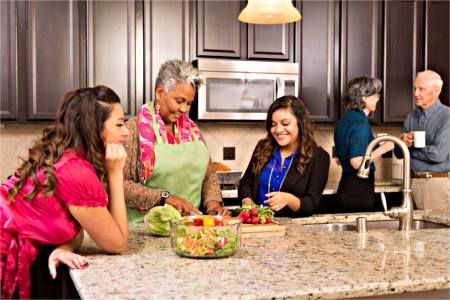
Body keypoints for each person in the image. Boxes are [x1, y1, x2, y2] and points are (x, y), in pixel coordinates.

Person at [0, 86, 129, 299]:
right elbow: (117, 243)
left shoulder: (67, 159)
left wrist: (65, 246)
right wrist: (116, 173)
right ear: (93, 128)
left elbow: (76, 226)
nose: (126, 131)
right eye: (119, 124)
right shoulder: (76, 172)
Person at [123, 59, 229, 222]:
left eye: (189, 103)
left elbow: (208, 177)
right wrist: (164, 198)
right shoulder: (133, 130)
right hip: (146, 231)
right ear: (159, 93)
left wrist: (213, 205)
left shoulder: (192, 130)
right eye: (179, 101)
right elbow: (119, 185)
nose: (184, 109)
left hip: (190, 228)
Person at [238, 96, 330, 217]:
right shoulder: (262, 147)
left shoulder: (318, 157)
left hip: (291, 230)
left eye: (285, 123)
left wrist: (289, 199)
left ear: (300, 123)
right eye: (273, 124)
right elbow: (245, 183)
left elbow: (310, 204)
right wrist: (247, 201)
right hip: (255, 223)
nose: (278, 129)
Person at [334, 77, 394, 212]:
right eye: (376, 94)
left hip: (346, 186)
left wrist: (374, 143)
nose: (378, 98)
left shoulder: (344, 120)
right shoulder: (360, 122)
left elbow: (339, 159)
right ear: (365, 97)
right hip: (359, 190)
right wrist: (384, 148)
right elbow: (356, 162)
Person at [397, 70, 450, 210]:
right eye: (415, 88)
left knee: (435, 231)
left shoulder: (447, 116)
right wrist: (402, 143)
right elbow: (399, 153)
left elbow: (437, 155)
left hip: (433, 184)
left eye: (421, 89)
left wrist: (412, 148)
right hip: (410, 182)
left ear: (437, 90)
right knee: (412, 231)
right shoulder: (411, 117)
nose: (416, 94)